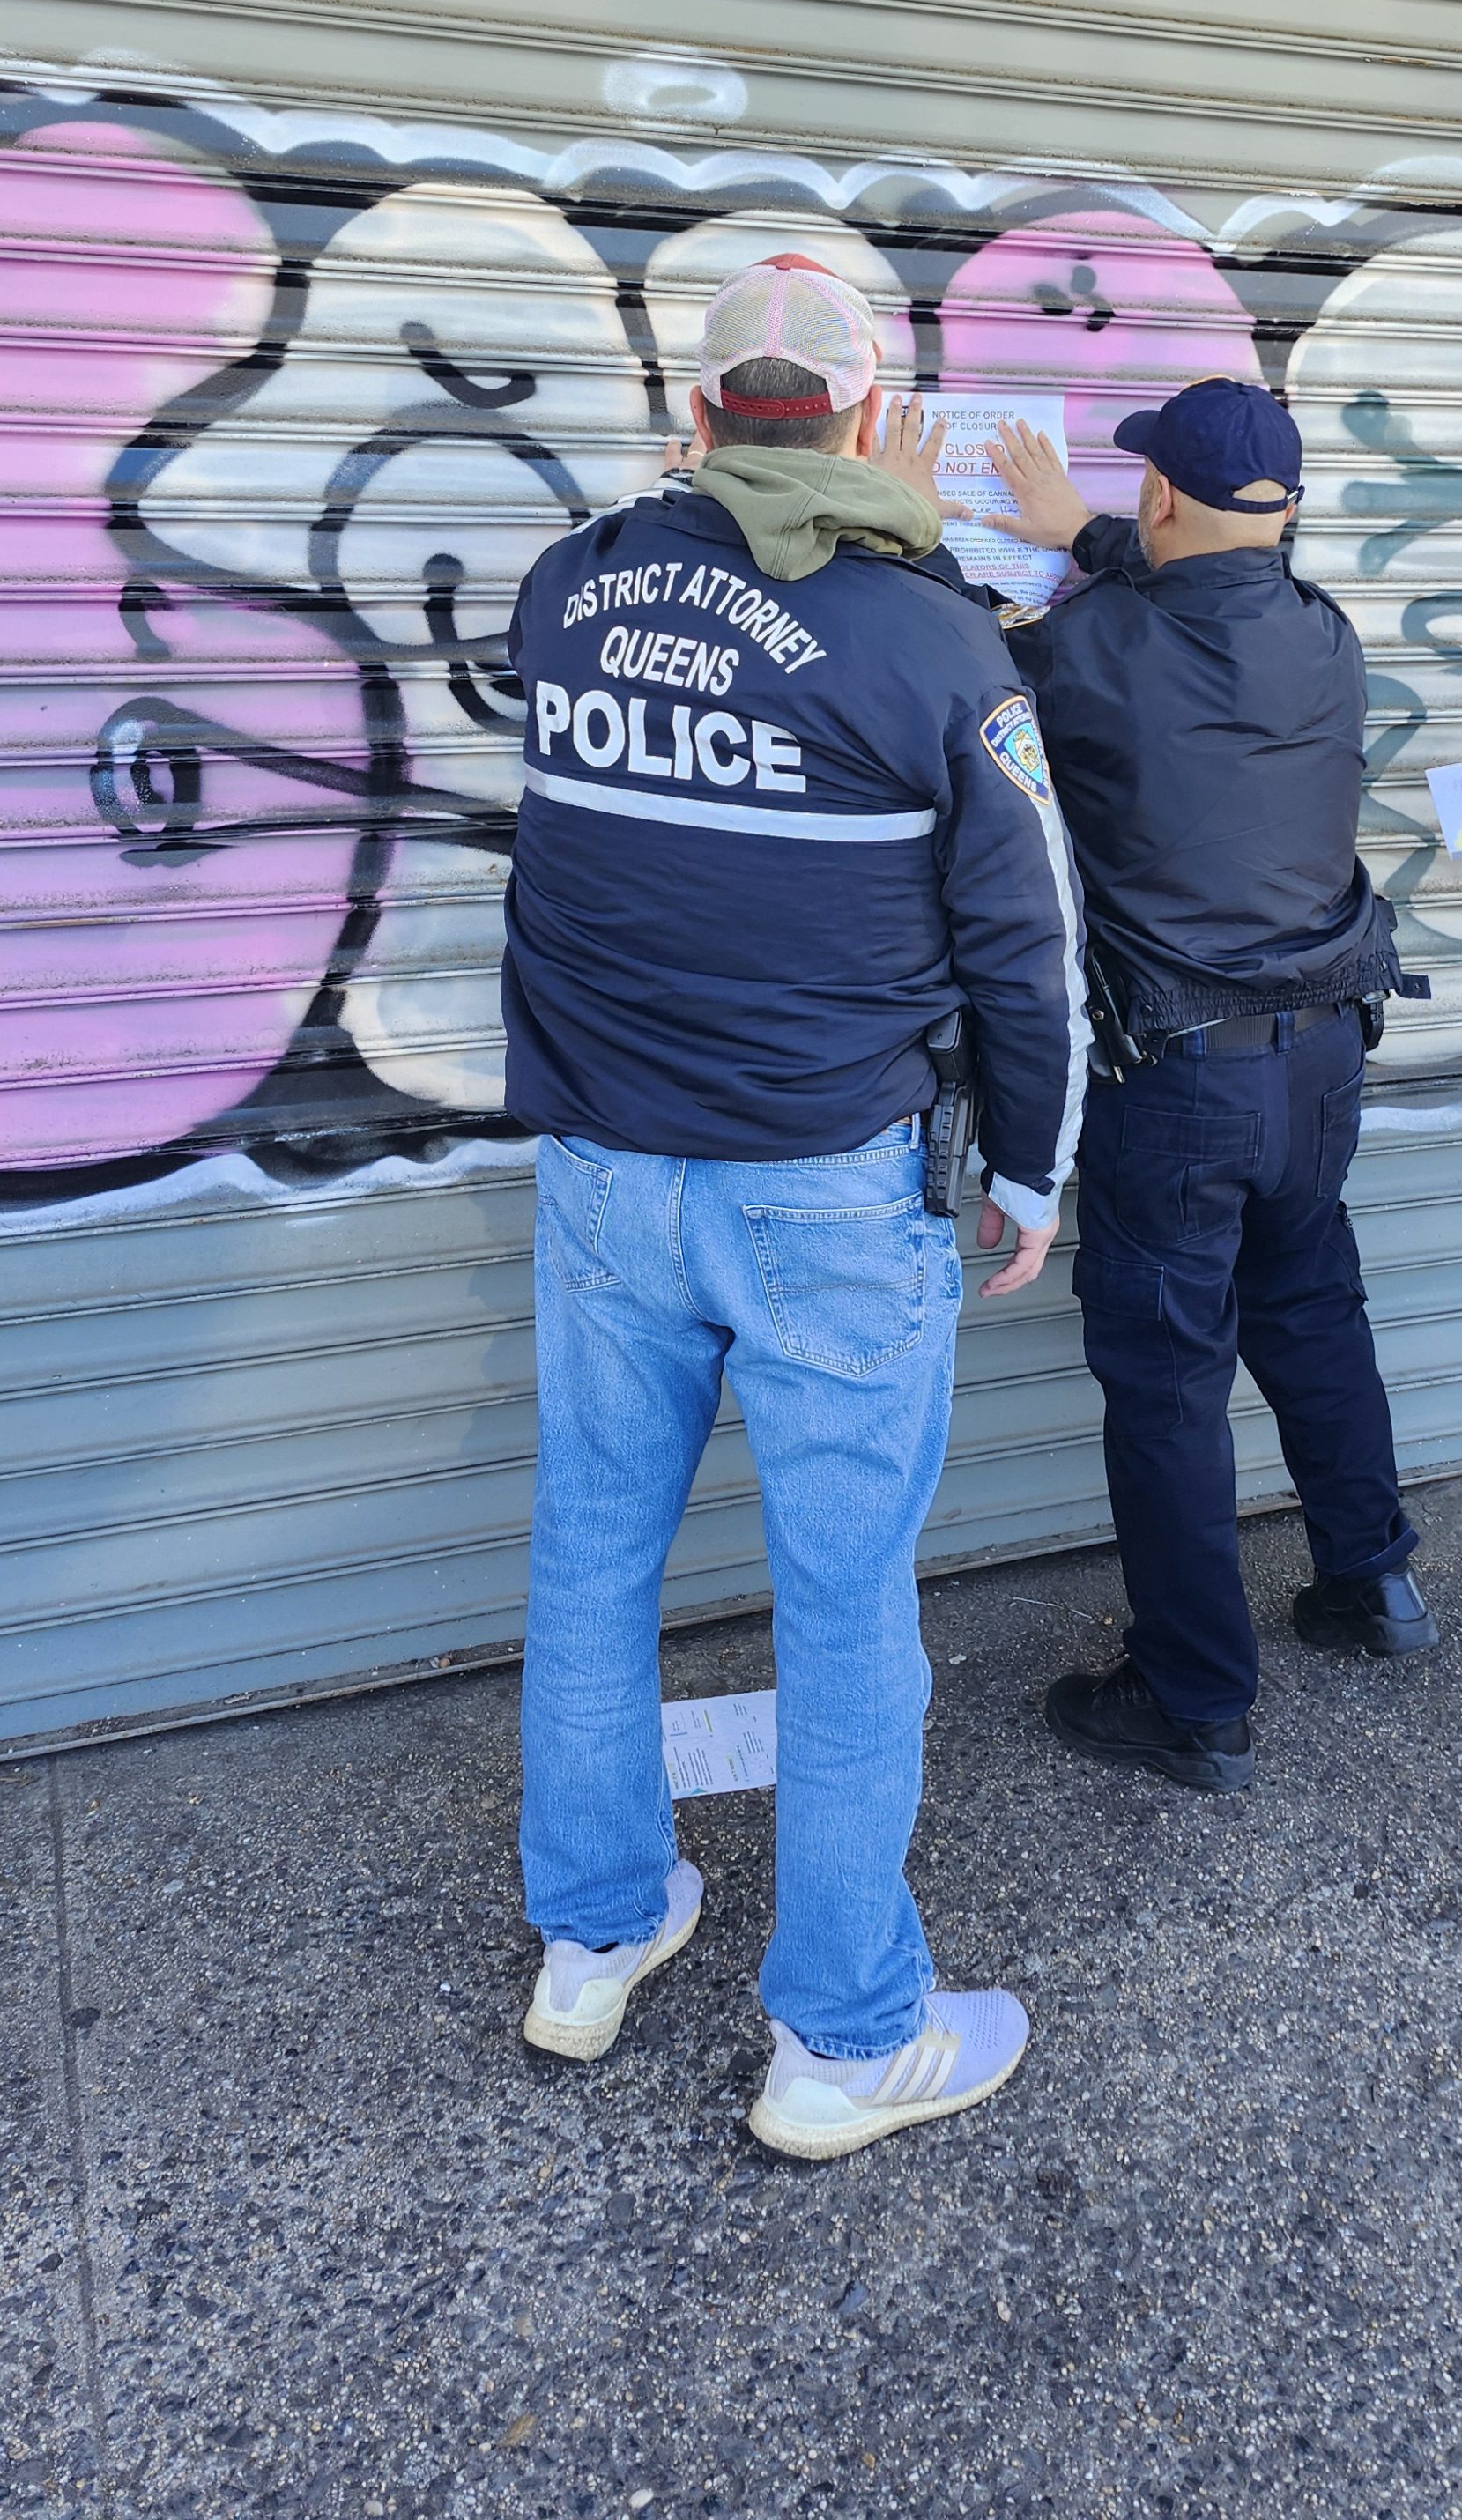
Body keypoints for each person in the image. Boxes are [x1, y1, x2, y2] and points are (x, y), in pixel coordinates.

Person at [501, 253, 1089, 2157]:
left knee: (595, 1552)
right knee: (845, 1607)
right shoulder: (935, 638)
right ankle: (842, 2035)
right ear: (859, 415)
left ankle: (592, 1938)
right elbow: (1028, 940)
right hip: (828, 1191)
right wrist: (1030, 1171)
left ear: (692, 413)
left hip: (605, 1173)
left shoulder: (570, 587)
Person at [938, 376, 1432, 1799]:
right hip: (1324, 1064)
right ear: (1285, 510)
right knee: (1314, 1307)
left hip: (1183, 1080)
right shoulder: (1325, 638)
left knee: (1166, 1388)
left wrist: (952, 536)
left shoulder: (1087, 654)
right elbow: (1206, 597)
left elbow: (961, 671)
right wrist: (1095, 535)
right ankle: (1374, 1584)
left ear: (1159, 496)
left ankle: (1196, 1701)